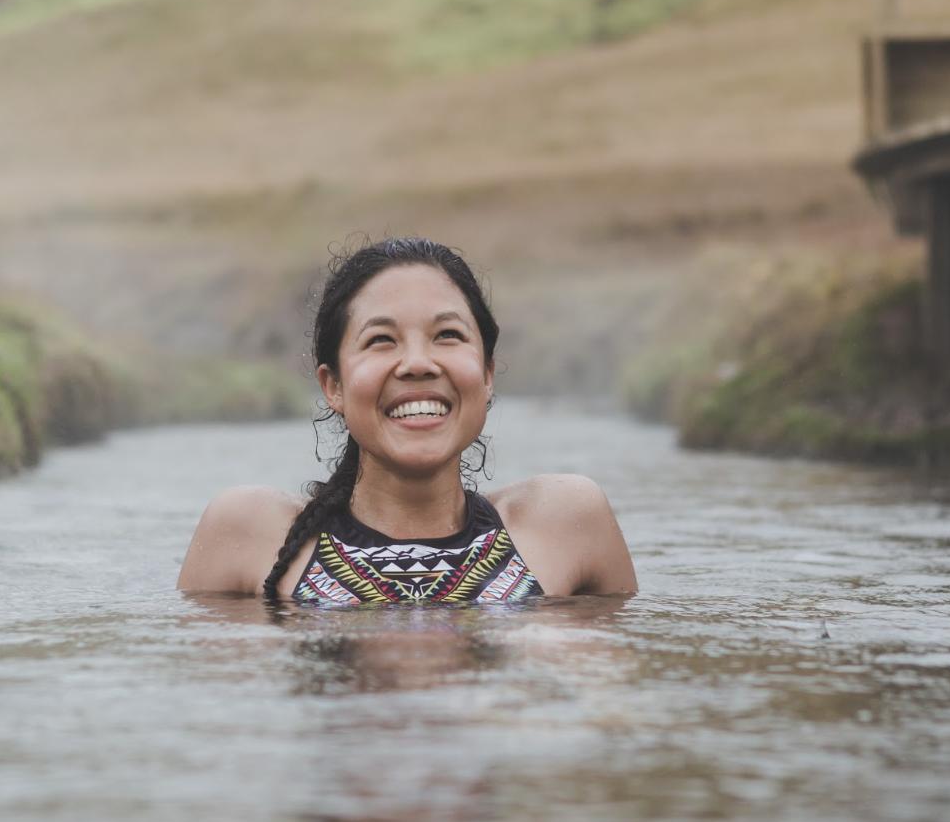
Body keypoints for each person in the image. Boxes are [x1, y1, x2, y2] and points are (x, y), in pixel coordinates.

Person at [177, 237, 637, 604]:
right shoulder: (248, 532)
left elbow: (610, 710)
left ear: (487, 373)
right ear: (332, 385)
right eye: (381, 340)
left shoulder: (567, 522)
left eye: (448, 335)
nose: (418, 363)